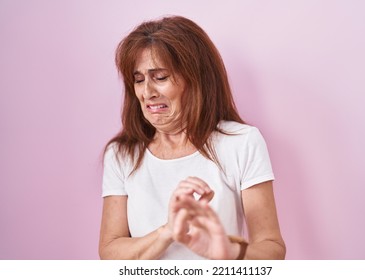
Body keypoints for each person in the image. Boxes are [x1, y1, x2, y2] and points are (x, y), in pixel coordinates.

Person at [99, 15, 286, 260]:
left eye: (160, 77)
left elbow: (271, 247)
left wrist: (227, 251)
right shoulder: (122, 153)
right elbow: (110, 251)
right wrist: (168, 231)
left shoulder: (241, 142)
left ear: (196, 79)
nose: (147, 93)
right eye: (139, 80)